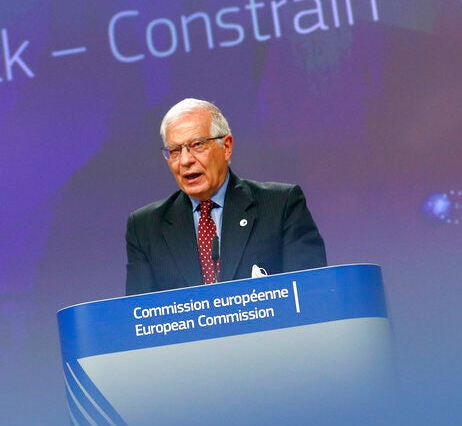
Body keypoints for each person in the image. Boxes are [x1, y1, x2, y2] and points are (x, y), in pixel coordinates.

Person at [125, 98, 326, 295]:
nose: (185, 161)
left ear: (226, 147)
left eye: (197, 145)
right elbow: (139, 318)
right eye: (175, 151)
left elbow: (312, 294)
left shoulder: (281, 206)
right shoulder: (145, 228)